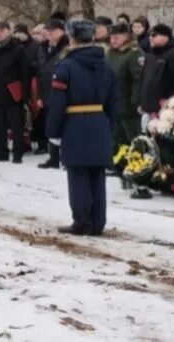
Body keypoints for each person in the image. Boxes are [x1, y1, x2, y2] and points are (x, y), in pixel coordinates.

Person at [46, 20, 120, 236]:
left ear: (72, 39)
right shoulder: (106, 65)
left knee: (78, 174)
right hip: (99, 122)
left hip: (75, 123)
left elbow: (58, 103)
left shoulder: (66, 66)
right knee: (97, 174)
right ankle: (98, 222)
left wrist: (54, 131)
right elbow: (114, 102)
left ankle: (82, 221)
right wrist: (109, 127)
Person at [0, 21, 30, 163]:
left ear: (9, 31)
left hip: (13, 91)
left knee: (16, 124)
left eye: (2, 31)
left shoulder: (18, 49)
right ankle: (1, 152)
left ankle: (18, 152)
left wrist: (25, 93)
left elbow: (25, 72)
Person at [36, 19, 69, 169]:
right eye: (48, 31)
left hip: (63, 92)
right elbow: (41, 73)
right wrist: (40, 96)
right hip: (48, 91)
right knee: (51, 125)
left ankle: (67, 156)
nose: (49, 34)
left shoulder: (67, 48)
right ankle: (53, 157)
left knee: (66, 126)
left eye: (53, 31)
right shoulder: (43, 48)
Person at [105, 24, 143, 148]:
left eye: (116, 37)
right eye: (111, 37)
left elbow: (138, 79)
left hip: (128, 105)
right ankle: (116, 164)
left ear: (126, 36)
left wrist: (135, 100)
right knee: (116, 138)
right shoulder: (110, 53)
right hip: (113, 103)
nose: (113, 40)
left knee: (132, 138)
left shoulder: (133, 53)